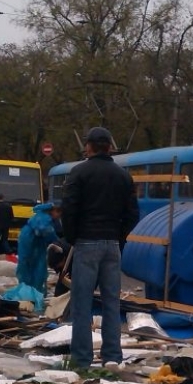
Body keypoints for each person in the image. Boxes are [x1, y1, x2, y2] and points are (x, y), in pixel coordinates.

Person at [62, 127, 140, 368]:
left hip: (87, 242)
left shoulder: (79, 173)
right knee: (111, 302)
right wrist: (119, 237)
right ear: (109, 147)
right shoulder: (123, 176)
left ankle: (82, 360)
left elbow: (69, 210)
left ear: (90, 147)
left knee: (82, 303)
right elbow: (132, 214)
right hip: (112, 245)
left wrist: (72, 238)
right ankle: (112, 357)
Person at [16, 202, 61, 293]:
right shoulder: (44, 218)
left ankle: (28, 290)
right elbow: (45, 230)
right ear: (55, 211)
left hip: (32, 241)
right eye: (59, 215)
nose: (58, 217)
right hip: (31, 242)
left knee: (30, 265)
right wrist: (57, 241)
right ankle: (33, 291)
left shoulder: (41, 216)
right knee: (34, 266)